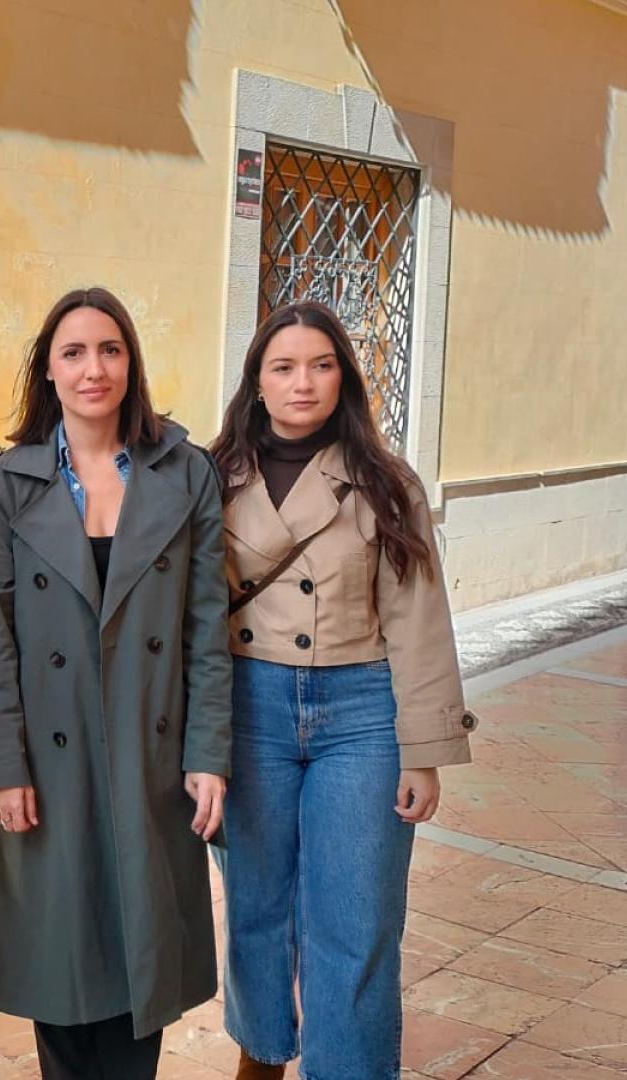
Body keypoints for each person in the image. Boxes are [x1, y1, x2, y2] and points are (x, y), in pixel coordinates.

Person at [0, 287, 232, 1079]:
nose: (94, 369)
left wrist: (208, 751)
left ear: (131, 364)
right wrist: (4, 765)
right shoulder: (6, 484)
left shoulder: (186, 473)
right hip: (51, 763)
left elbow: (206, 626)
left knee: (138, 965)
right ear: (48, 370)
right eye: (74, 353)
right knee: (60, 964)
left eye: (110, 350)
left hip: (150, 753)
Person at [208, 301, 476, 1080]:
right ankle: (261, 1055)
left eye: (322, 366)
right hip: (249, 707)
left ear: (345, 379)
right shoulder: (212, 477)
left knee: (357, 920)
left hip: (361, 714)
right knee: (257, 909)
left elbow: (418, 618)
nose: (304, 383)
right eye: (284, 367)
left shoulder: (386, 482)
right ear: (257, 382)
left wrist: (423, 751)